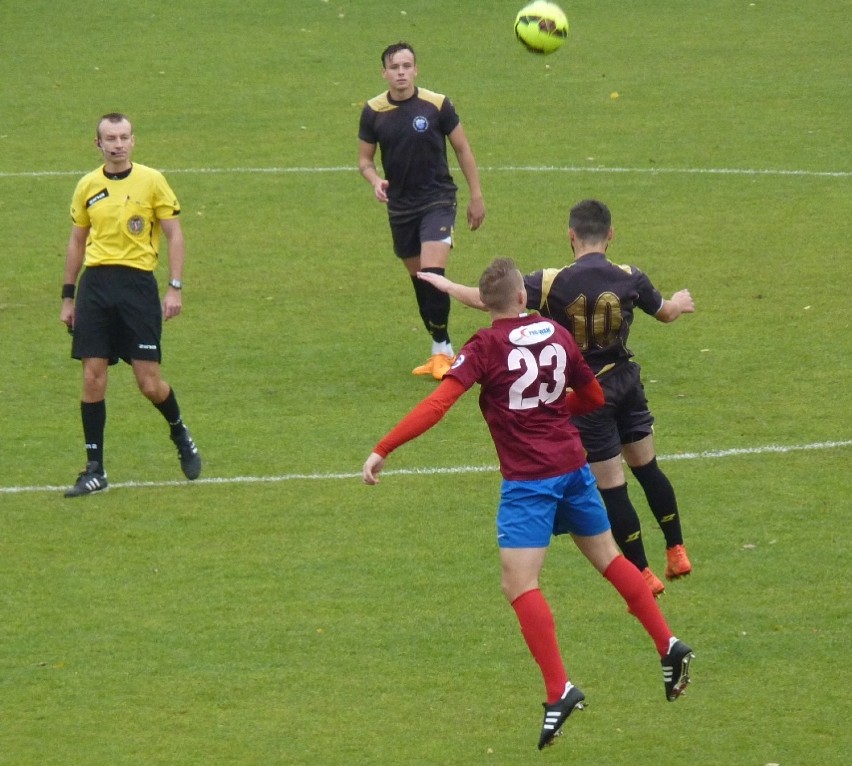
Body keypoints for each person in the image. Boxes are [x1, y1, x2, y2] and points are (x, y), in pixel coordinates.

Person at [363, 258, 694, 749]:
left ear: (489, 305)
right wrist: (557, 410)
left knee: (519, 583)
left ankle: (559, 689)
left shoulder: (483, 346)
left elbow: (438, 404)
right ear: (523, 297)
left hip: (530, 483)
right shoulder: (557, 334)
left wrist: (383, 448)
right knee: (608, 559)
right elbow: (593, 394)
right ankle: (668, 645)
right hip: (574, 468)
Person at [418, 200, 695, 597]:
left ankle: (644, 573)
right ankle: (676, 548)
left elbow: (489, 300)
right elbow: (666, 313)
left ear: (571, 235)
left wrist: (445, 285)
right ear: (611, 234)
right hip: (626, 383)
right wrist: (681, 304)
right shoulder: (630, 277)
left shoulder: (551, 282)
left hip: (587, 391)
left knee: (612, 486)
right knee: (647, 467)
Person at [58, 112, 201, 497]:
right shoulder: (87, 185)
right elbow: (76, 242)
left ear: (133, 141)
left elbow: (175, 235)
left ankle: (179, 432)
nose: (118, 144)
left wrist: (174, 288)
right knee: (92, 375)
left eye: (124, 137)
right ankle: (95, 469)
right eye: (110, 138)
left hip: (137, 287)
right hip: (97, 286)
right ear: (98, 144)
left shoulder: (152, 181)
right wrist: (68, 297)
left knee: (149, 383)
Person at [358, 41, 486, 380]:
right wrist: (375, 181)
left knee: (432, 273)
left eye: (407, 66)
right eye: (394, 67)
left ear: (415, 69)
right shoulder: (373, 111)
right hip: (401, 207)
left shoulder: (437, 105)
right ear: (384, 72)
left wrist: (476, 196)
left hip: (438, 201)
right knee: (419, 281)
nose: (401, 72)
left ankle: (443, 352)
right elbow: (364, 160)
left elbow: (462, 149)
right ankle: (439, 345)